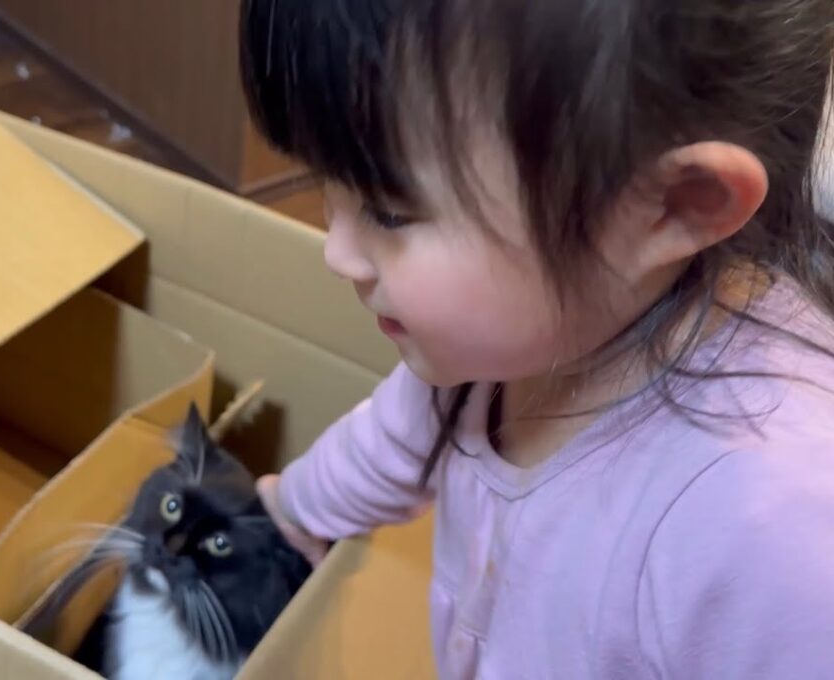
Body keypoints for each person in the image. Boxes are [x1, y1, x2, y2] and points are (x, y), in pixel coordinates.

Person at [238, 1, 834, 677]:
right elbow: (389, 440)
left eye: (388, 209)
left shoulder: (773, 526)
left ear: (673, 205)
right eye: (324, 183)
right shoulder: (490, 347)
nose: (337, 251)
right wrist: (286, 510)